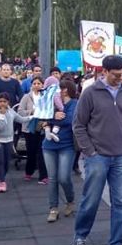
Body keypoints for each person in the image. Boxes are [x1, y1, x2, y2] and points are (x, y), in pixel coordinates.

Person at [72, 55, 122, 245]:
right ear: (104, 71)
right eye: (116, 75)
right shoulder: (90, 93)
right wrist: (90, 152)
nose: (121, 78)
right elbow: (78, 125)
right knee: (91, 199)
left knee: (121, 202)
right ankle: (80, 235)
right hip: (97, 156)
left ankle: (117, 244)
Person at [43, 79, 78, 223]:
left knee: (64, 177)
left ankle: (70, 200)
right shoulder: (49, 103)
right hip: (49, 145)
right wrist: (52, 117)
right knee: (52, 178)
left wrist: (50, 119)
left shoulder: (74, 104)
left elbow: (69, 120)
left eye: (62, 88)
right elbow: (40, 116)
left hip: (67, 145)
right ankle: (53, 208)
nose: (60, 91)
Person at [0, 92, 32, 193]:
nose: (2, 104)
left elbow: (21, 119)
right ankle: (2, 182)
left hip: (9, 140)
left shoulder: (11, 112)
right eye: (0, 101)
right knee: (0, 161)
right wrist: (2, 115)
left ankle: (2, 177)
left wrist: (32, 117)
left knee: (7, 162)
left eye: (4, 101)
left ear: (8, 102)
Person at [17, 76, 49, 184]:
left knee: (41, 151)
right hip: (29, 126)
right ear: (31, 85)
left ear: (42, 85)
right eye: (34, 83)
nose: (36, 85)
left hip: (41, 125)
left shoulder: (45, 96)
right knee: (31, 151)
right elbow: (20, 111)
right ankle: (29, 172)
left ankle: (43, 176)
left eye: (39, 83)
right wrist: (31, 111)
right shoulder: (27, 97)